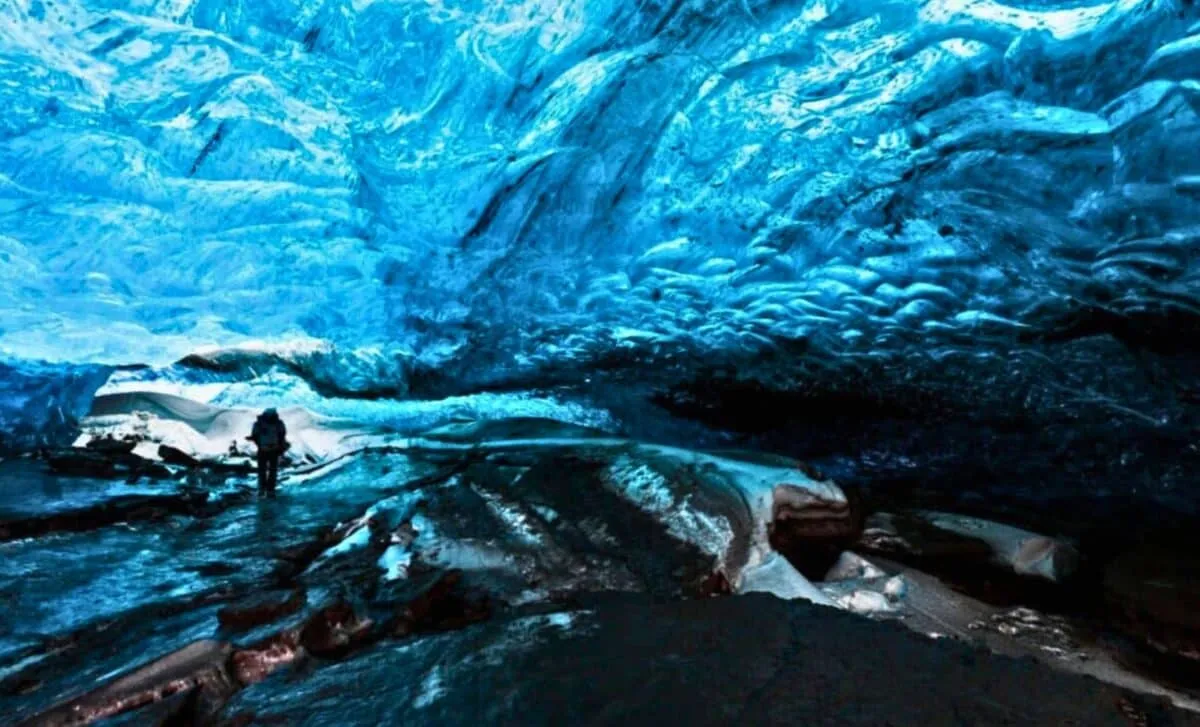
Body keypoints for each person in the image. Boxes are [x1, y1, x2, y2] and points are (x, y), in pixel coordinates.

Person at [246, 408, 289, 496]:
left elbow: (255, 436)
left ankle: (263, 489)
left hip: (264, 449)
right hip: (272, 449)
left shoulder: (259, 424)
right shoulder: (278, 423)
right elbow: (282, 435)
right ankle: (269, 490)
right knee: (271, 470)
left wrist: (259, 445)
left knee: (263, 470)